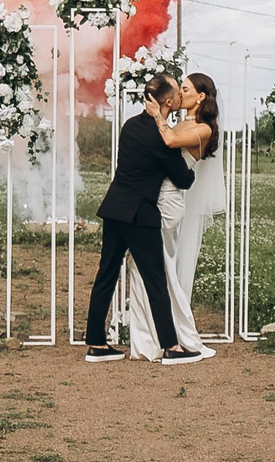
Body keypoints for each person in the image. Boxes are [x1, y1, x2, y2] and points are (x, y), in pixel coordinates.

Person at [85, 74, 208, 365]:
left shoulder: (130, 125)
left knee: (106, 274)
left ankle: (96, 343)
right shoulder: (160, 137)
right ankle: (172, 347)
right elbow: (182, 179)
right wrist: (192, 171)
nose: (180, 97)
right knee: (156, 280)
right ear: (168, 102)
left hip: (114, 208)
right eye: (177, 93)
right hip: (140, 215)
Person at [119, 72, 223, 358]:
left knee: (160, 269)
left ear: (200, 97)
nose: (180, 94)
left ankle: (182, 337)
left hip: (168, 202)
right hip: (153, 199)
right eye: (179, 90)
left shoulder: (203, 129)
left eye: (185, 89)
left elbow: (169, 142)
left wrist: (156, 114)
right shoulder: (180, 122)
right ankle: (150, 340)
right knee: (144, 268)